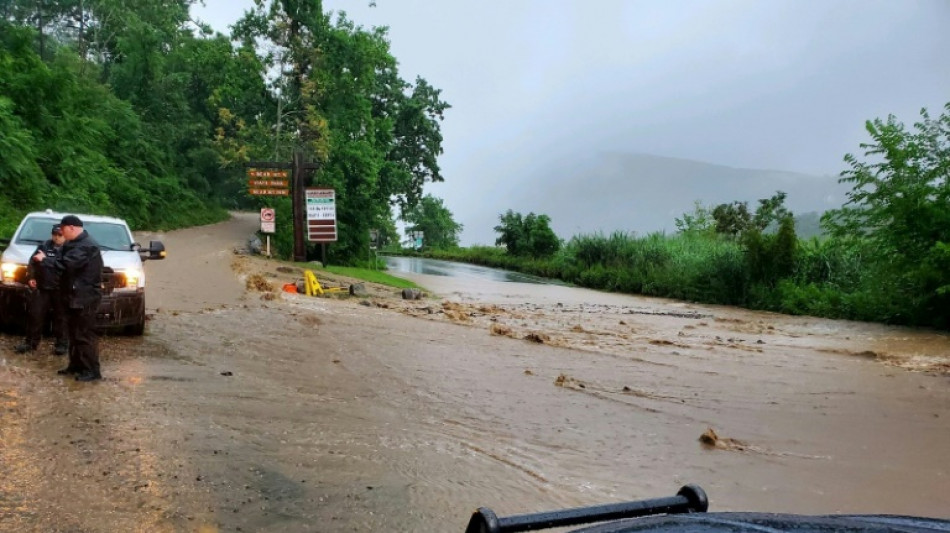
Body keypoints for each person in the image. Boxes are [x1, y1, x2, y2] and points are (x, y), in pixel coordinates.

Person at [33, 215, 104, 382]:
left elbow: (65, 265)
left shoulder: (86, 246)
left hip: (84, 297)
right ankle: (76, 365)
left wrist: (45, 260)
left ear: (71, 228)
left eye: (63, 229)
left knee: (83, 335)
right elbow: (60, 260)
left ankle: (92, 370)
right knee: (73, 334)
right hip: (72, 296)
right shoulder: (73, 244)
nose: (61, 233)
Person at [15, 224, 68, 355]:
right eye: (54, 234)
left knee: (61, 318)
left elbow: (66, 266)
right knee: (35, 315)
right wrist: (31, 277)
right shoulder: (44, 246)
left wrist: (47, 260)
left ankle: (61, 345)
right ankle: (30, 343)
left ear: (65, 236)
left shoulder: (69, 249)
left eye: (60, 235)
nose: (56, 237)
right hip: (43, 287)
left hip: (60, 289)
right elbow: (33, 262)